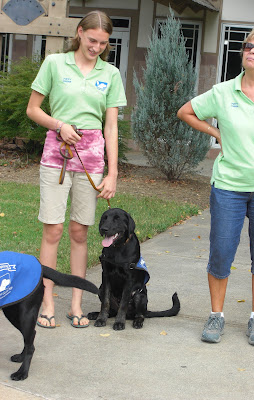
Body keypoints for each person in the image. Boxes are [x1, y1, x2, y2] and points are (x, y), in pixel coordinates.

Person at [177, 26, 254, 346]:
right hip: (228, 186)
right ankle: (216, 315)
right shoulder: (223, 91)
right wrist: (215, 134)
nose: (251, 52)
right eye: (248, 47)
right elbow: (185, 111)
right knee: (220, 253)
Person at [26, 10, 127, 328]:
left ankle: (77, 305)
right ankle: (46, 304)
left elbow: (110, 128)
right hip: (57, 155)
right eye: (92, 39)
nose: (96, 46)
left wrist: (112, 173)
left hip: (93, 160)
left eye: (103, 42)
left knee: (80, 231)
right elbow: (33, 109)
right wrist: (59, 125)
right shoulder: (55, 64)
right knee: (53, 230)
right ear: (80, 32)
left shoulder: (110, 74)